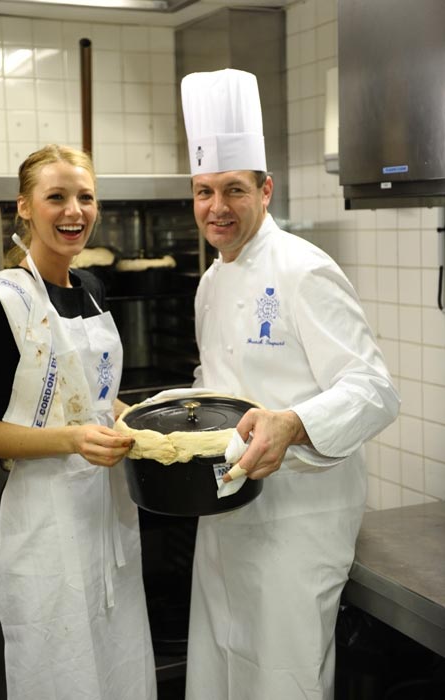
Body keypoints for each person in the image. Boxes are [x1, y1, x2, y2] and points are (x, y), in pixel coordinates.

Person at [180, 69, 400, 700]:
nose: (216, 208)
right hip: (224, 516)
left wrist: (293, 423)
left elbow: (374, 388)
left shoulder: (303, 270)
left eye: (233, 190)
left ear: (266, 189)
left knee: (281, 682)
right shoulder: (210, 282)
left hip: (297, 526)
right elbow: (218, 381)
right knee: (220, 671)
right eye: (203, 192)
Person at [0, 144, 157, 700]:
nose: (74, 212)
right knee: (62, 672)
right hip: (46, 525)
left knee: (117, 664)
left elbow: (91, 396)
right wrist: (70, 439)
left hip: (107, 517)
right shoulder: (2, 303)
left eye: (85, 197)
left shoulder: (91, 290)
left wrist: (133, 418)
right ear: (24, 207)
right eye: (56, 197)